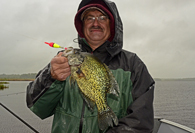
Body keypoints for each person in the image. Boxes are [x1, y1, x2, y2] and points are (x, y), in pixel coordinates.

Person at [26, 0, 155, 132]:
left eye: (102, 17)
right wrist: (51, 77)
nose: (95, 23)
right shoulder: (63, 61)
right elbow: (38, 108)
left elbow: (141, 122)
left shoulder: (133, 64)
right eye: (89, 18)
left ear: (112, 25)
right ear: (81, 26)